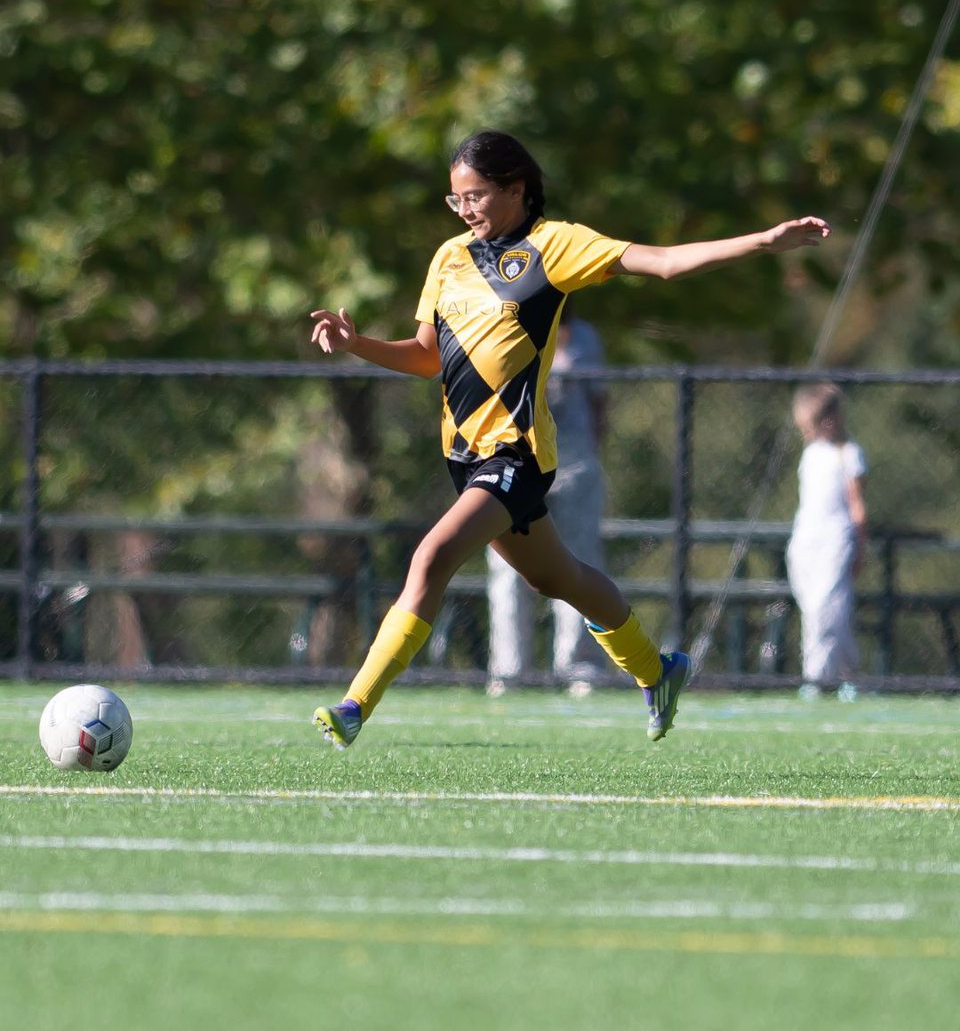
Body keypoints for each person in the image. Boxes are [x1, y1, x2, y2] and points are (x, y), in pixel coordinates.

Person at [309, 129, 830, 749]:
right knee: (558, 580)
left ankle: (353, 706)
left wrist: (765, 241)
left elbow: (662, 263)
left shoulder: (555, 246)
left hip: (514, 456)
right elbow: (426, 357)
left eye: (474, 196)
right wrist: (355, 345)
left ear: (515, 189)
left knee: (431, 557)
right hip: (463, 456)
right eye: (456, 200)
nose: (465, 209)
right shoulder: (449, 257)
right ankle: (657, 671)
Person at [485, 301, 613, 691]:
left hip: (573, 469)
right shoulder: (501, 333)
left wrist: (589, 453)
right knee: (508, 571)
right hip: (515, 469)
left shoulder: (586, 337)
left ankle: (580, 667)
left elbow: (600, 402)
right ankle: (510, 670)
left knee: (579, 564)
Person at [786, 382, 868, 698]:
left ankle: (816, 678)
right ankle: (849, 674)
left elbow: (857, 505)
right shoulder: (810, 455)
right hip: (805, 539)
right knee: (814, 609)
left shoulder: (849, 454)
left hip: (836, 539)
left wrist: (860, 546)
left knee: (827, 608)